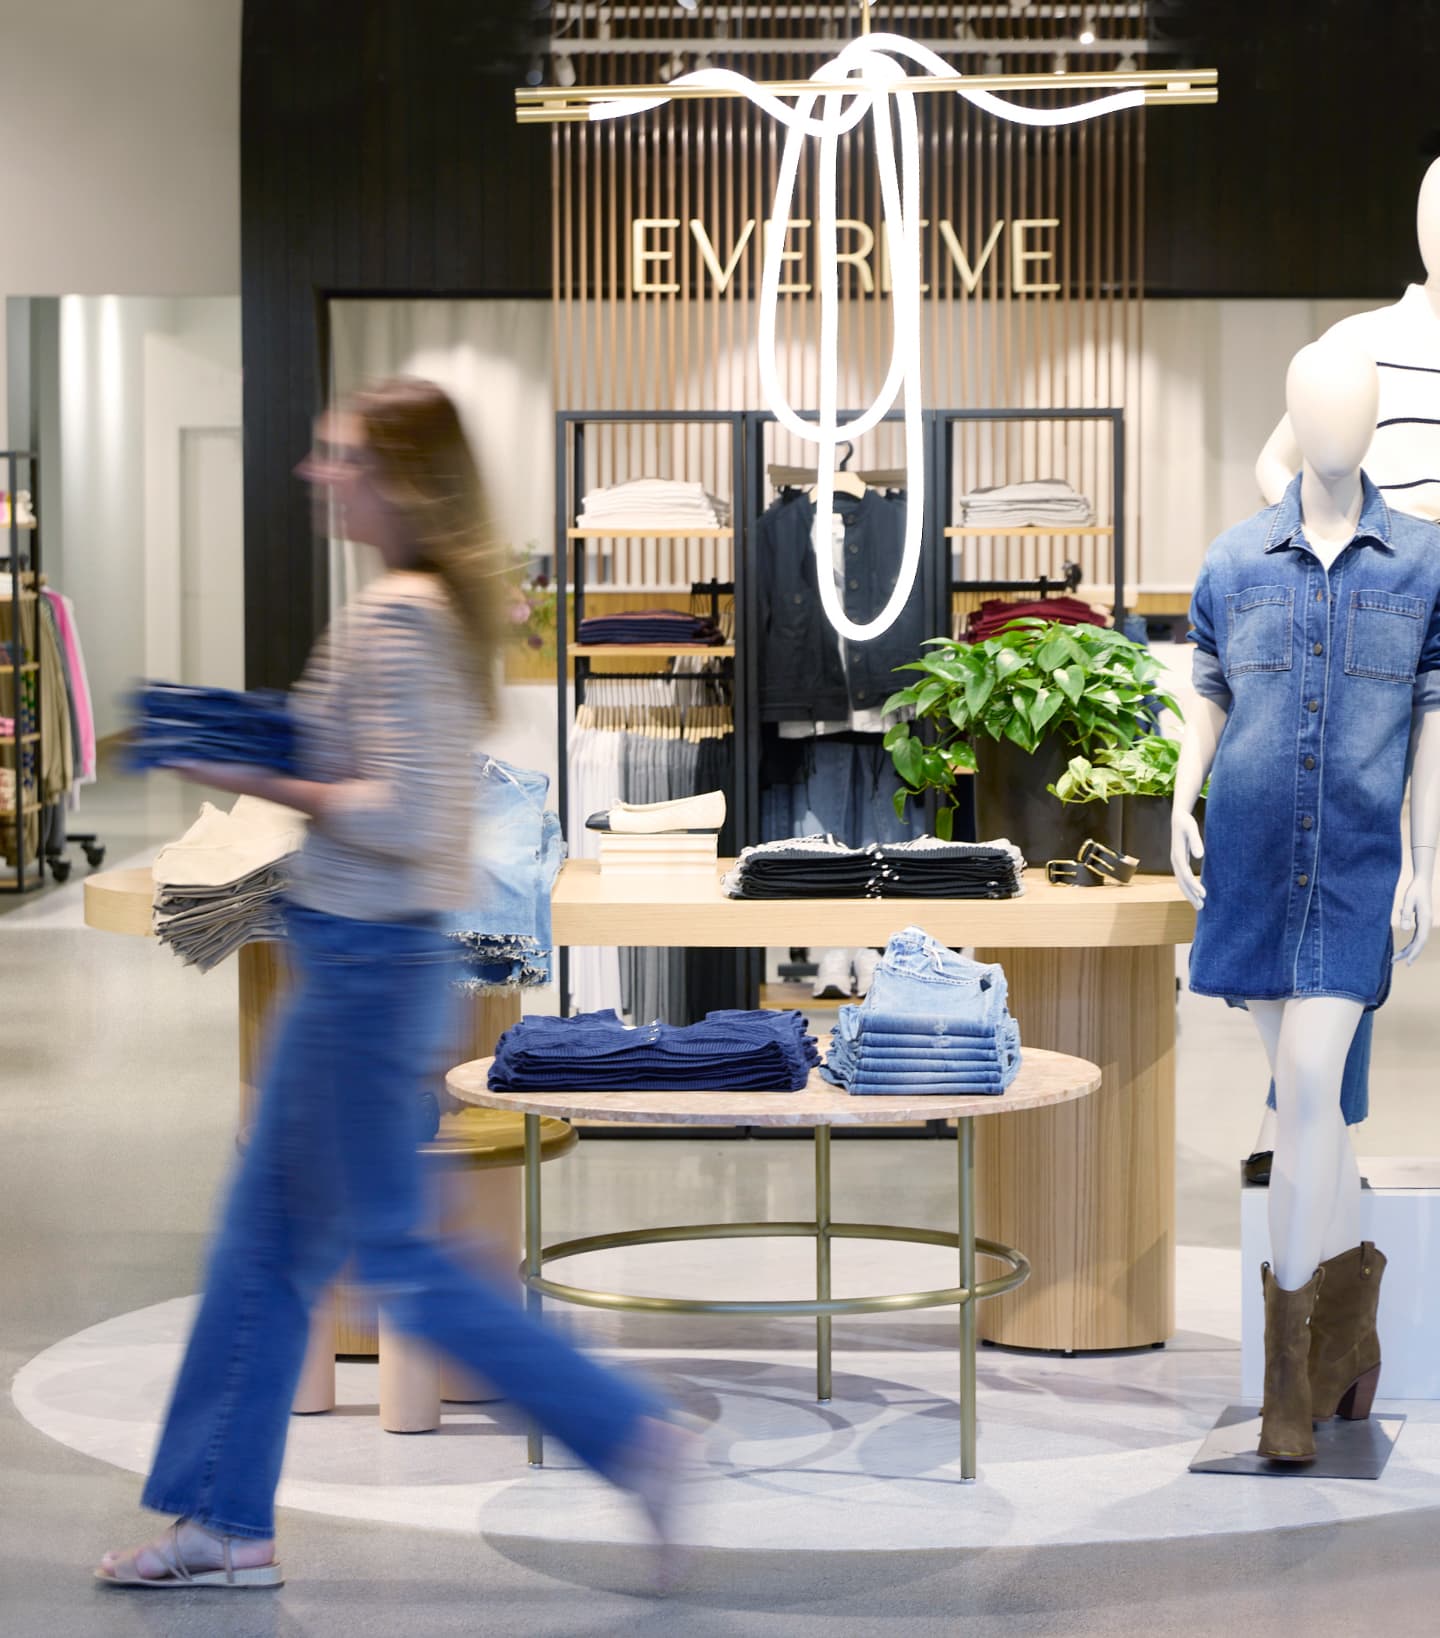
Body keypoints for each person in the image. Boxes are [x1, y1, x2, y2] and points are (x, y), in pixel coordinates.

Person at [97, 378, 684, 1591]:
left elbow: (405, 814)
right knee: (268, 1248)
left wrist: (264, 778)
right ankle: (225, 1521)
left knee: (389, 1256)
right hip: (357, 962)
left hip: (370, 971)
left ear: (401, 479)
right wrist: (229, 737)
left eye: (339, 456)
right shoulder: (402, 608)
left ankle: (622, 1430)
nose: (319, 474)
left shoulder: (404, 615)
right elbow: (363, 762)